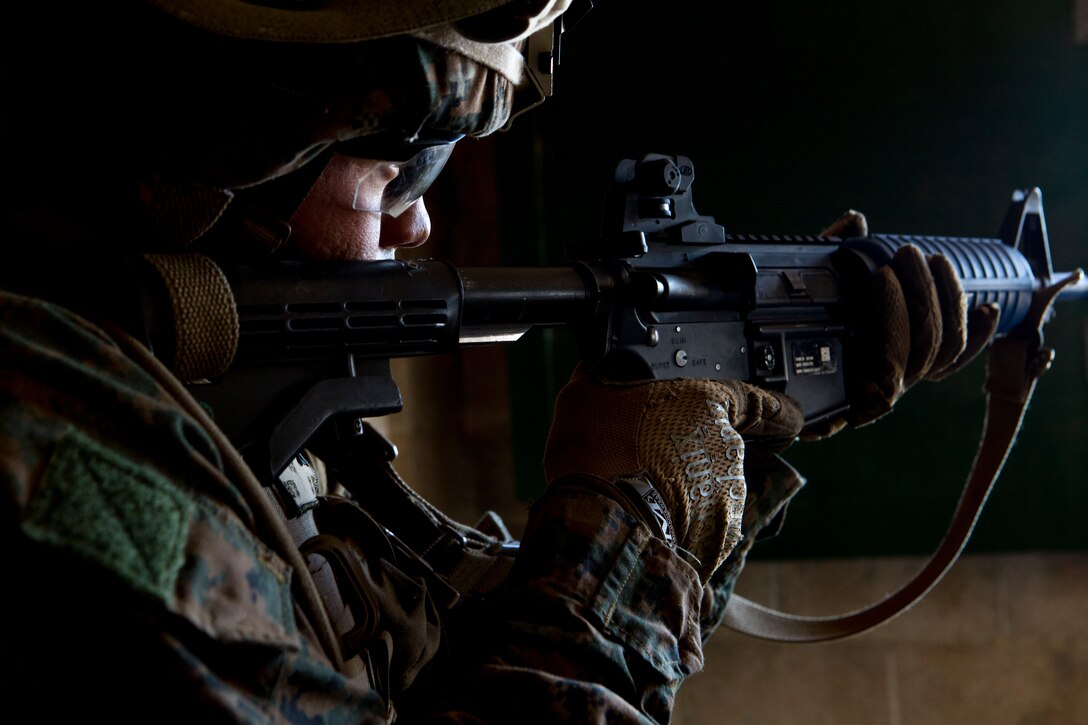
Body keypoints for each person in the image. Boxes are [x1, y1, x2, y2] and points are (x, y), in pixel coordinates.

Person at [1, 1, 999, 722]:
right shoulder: (61, 460)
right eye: (402, 164)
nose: (421, 217)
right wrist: (632, 523)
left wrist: (735, 433)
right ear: (227, 152)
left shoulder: (223, 433)